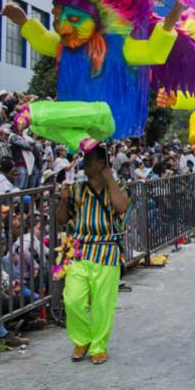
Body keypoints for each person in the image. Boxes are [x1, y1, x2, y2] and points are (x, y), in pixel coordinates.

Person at [57, 144, 129, 365]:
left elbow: (122, 206)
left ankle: (98, 345)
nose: (84, 163)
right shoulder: (77, 189)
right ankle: (82, 338)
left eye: (89, 160)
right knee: (72, 299)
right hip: (78, 249)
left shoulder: (118, 187)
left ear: (100, 163)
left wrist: (109, 179)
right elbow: (61, 219)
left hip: (107, 250)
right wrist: (62, 198)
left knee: (102, 303)